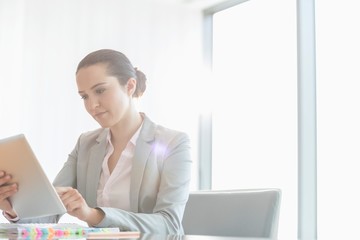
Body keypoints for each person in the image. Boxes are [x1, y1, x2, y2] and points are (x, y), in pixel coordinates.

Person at [0, 49, 192, 234]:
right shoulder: (86, 144)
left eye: (100, 90)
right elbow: (50, 210)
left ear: (130, 86)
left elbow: (169, 225)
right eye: (84, 96)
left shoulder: (174, 142)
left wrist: (93, 215)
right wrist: (14, 207)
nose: (92, 105)